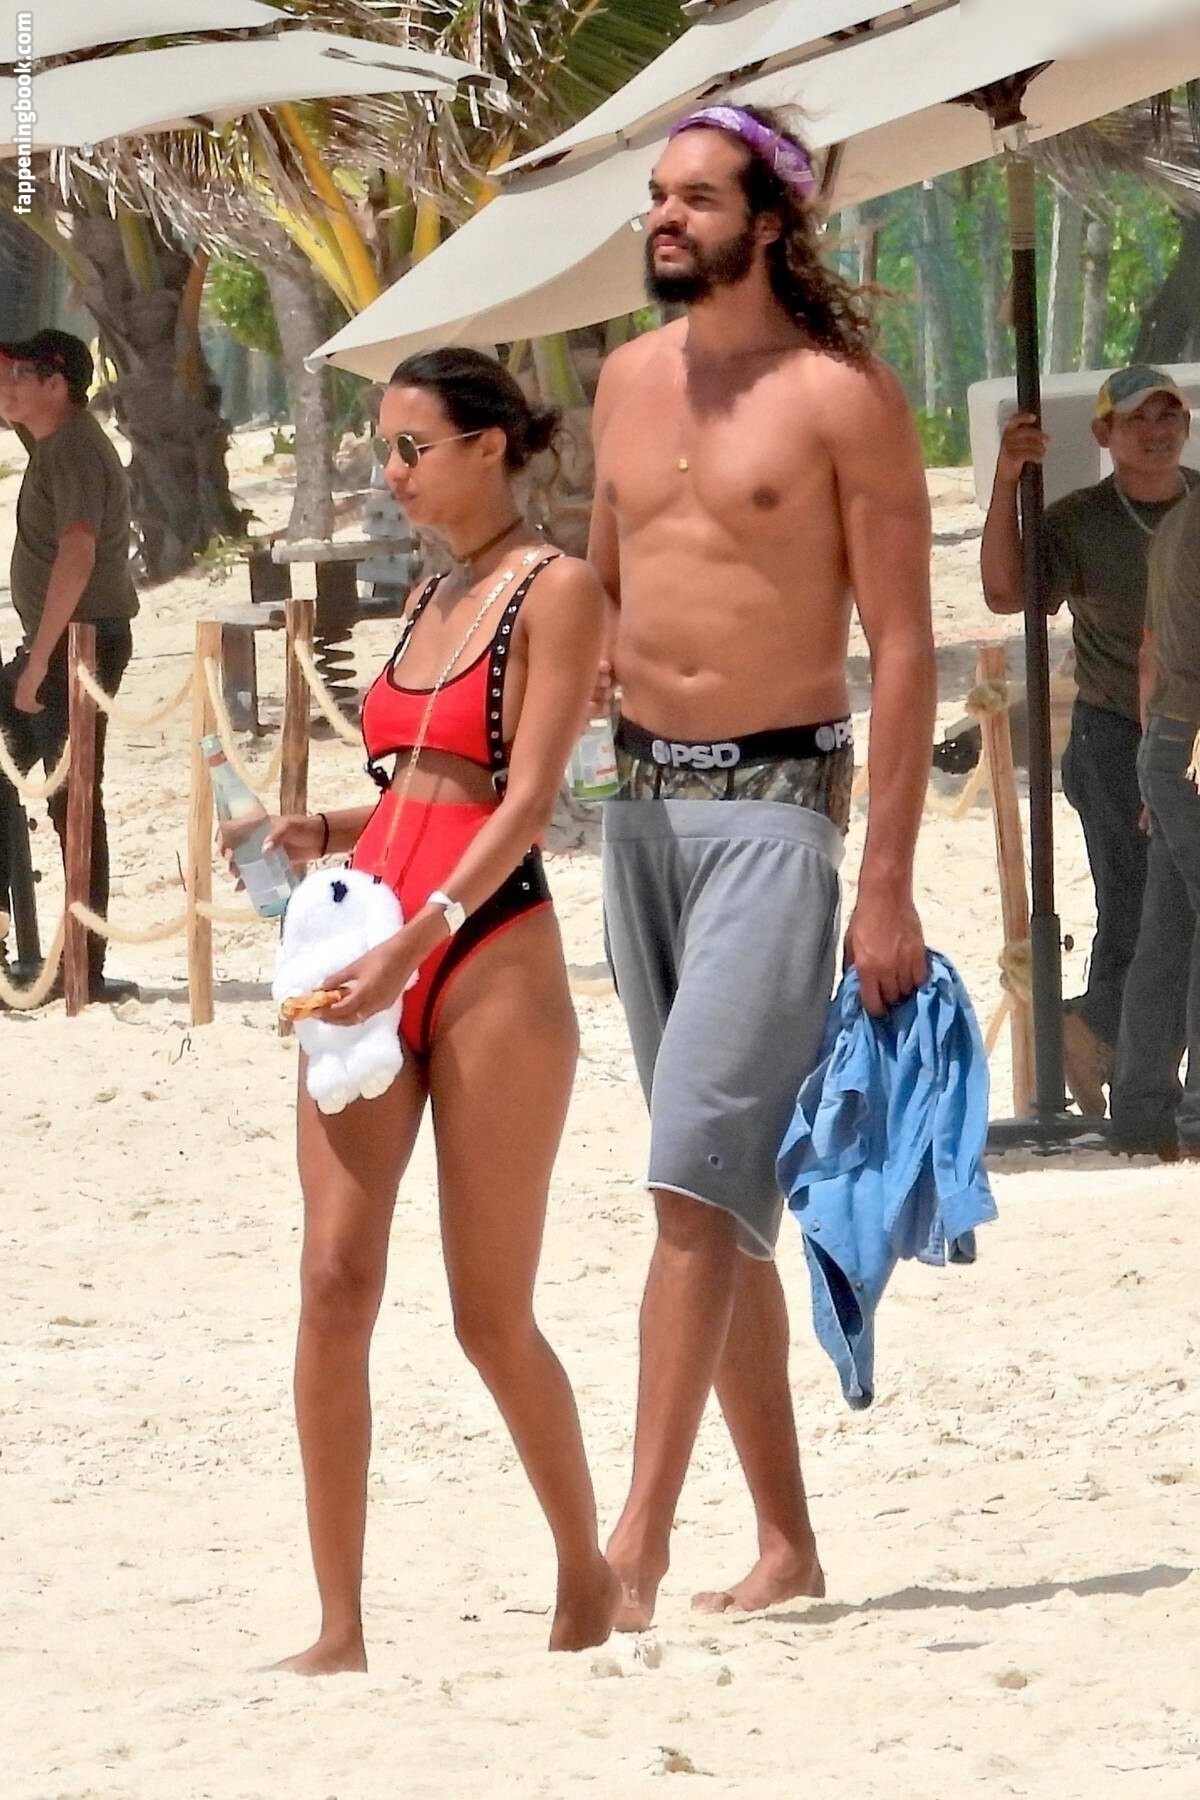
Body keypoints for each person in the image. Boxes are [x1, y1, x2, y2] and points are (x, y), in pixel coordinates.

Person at [588, 104, 934, 1629]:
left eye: (696, 199)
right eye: (657, 197)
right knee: (719, 1201)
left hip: (781, 819)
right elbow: (599, 595)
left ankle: (632, 1550)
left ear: (771, 222)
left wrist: (888, 883)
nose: (666, 218)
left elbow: (906, 647)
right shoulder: (622, 381)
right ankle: (786, 1543)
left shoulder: (842, 398)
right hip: (638, 823)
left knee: (686, 1183)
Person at [228, 349, 618, 1673]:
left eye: (410, 448)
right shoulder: (431, 592)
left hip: (484, 946)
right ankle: (338, 1625)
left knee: (487, 1312)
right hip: (373, 936)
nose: (388, 472)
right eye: (382, 449)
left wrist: (421, 939)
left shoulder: (556, 588)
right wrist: (326, 826)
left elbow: (529, 800)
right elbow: (419, 781)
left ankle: (586, 1569)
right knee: (332, 1278)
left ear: (489, 445)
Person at [980, 366, 1197, 1116]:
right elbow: (1007, 594)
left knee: (1159, 910)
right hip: (1118, 737)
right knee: (1140, 905)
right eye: (1139, 419)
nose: (1158, 431)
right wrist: (1007, 480)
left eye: (1170, 416)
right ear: (1104, 432)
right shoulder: (1080, 520)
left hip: (1187, 730)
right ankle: (1107, 1040)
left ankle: (1109, 1044)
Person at [0, 329, 138, 1001]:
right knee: (35, 787)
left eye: (19, 377)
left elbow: (78, 553)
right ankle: (24, 945)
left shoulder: (75, 447)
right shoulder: (50, 440)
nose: (6, 387)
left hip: (80, 643)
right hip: (57, 642)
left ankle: (85, 965)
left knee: (74, 800)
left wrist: (38, 662)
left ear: (57, 386)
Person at [1109, 483, 1200, 1158]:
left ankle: (1141, 1108)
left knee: (1167, 932)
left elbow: (1148, 652)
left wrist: (1155, 767)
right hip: (1193, 736)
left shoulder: (1177, 522)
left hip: (1169, 732)